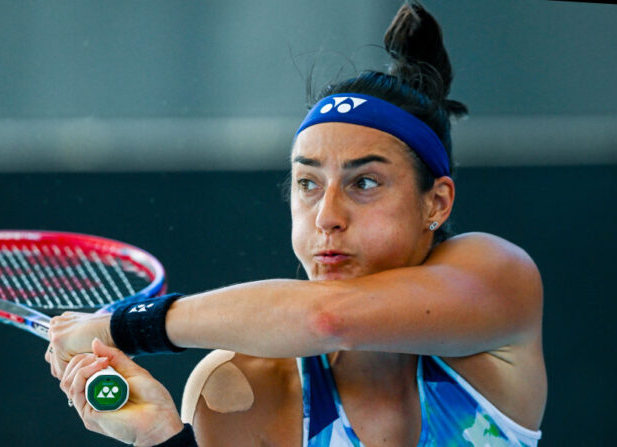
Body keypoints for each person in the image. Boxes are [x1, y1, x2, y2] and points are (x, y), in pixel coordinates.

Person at [45, 2, 546, 445]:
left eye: (364, 183)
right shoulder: (241, 386)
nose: (327, 216)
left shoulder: (499, 280)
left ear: (435, 203)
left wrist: (124, 326)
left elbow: (328, 319)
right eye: (308, 184)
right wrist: (161, 440)